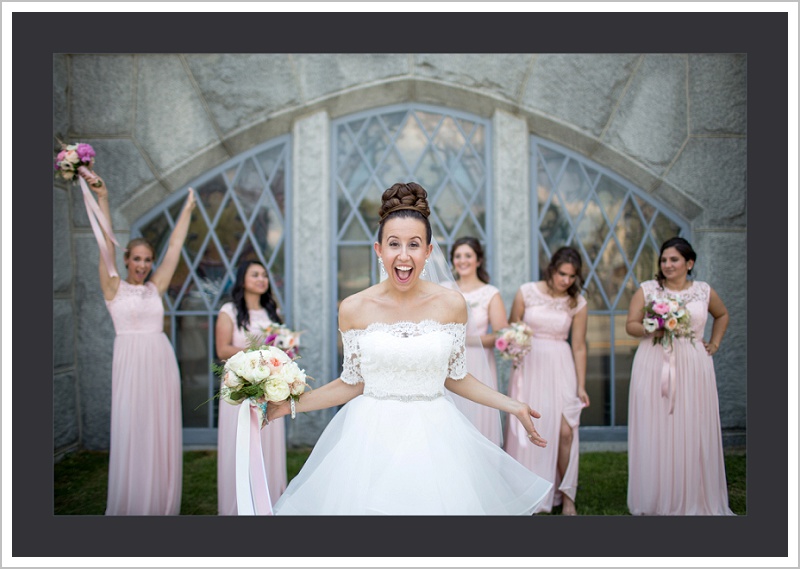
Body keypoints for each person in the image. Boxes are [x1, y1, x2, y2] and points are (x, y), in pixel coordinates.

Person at [266, 182, 552, 515]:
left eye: (414, 245)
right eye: (394, 244)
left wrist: (512, 405)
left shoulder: (451, 304)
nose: (404, 255)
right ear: (378, 250)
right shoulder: (354, 308)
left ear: (429, 251)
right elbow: (352, 383)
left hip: (436, 438)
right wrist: (289, 405)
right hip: (370, 438)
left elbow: (456, 377)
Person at [85, 168, 195, 515]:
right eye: (137, 259)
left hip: (160, 359)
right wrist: (102, 198)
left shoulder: (155, 286)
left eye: (148, 260)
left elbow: (175, 246)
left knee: (159, 426)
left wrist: (189, 209)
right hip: (130, 360)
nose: (143, 266)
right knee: (133, 425)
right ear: (126, 260)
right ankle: (132, 499)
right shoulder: (113, 286)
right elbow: (103, 241)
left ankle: (159, 500)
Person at [625, 236, 733, 515]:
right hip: (653, 363)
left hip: (695, 365)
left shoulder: (703, 291)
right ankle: (656, 495)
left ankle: (694, 494)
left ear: (689, 262)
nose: (668, 264)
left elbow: (722, 315)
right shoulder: (648, 289)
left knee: (692, 424)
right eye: (664, 260)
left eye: (674, 259)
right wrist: (654, 327)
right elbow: (631, 326)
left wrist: (715, 342)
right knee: (656, 425)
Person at [504, 246, 589, 515]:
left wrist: (581, 385)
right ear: (551, 270)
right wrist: (514, 345)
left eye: (572, 277)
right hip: (529, 365)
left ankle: (567, 496)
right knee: (531, 427)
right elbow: (510, 328)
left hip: (561, 364)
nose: (566, 281)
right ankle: (528, 492)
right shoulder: (526, 291)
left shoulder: (578, 303)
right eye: (562, 274)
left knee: (565, 432)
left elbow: (579, 346)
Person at [215, 260, 288, 514]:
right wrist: (256, 354)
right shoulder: (229, 311)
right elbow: (222, 349)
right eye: (255, 274)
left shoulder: (273, 311)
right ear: (242, 279)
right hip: (239, 384)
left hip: (269, 384)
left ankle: (269, 502)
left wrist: (284, 354)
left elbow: (282, 345)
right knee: (241, 440)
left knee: (268, 438)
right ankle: (238, 504)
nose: (261, 279)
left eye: (265, 275)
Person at [447, 236, 506, 445]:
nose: (462, 260)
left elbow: (501, 336)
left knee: (478, 423)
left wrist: (466, 340)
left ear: (478, 260)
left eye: (468, 256)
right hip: (447, 363)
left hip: (479, 365)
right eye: (458, 256)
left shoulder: (490, 293)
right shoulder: (444, 289)